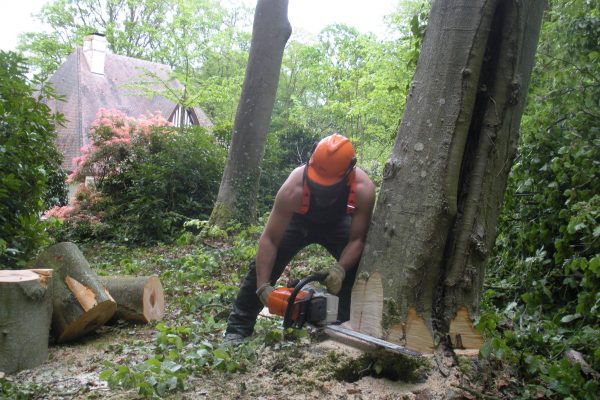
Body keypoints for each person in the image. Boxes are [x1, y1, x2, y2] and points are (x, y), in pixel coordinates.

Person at [224, 133, 376, 344]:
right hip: (300, 221)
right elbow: (270, 239)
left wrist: (340, 268)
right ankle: (238, 328)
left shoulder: (363, 189)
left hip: (338, 222)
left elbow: (357, 240)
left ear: (349, 169)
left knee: (356, 269)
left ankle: (341, 322)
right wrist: (262, 286)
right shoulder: (294, 186)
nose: (323, 189)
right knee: (264, 265)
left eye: (329, 184)